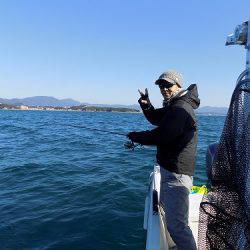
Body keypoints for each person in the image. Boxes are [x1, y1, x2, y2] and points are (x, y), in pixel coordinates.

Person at [127, 70, 200, 250]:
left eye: (168, 85)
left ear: (178, 85)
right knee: (174, 218)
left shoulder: (180, 108)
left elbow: (162, 135)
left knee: (177, 225)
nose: (164, 89)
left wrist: (135, 136)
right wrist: (146, 104)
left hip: (177, 173)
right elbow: (156, 119)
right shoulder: (174, 105)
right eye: (161, 86)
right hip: (171, 170)